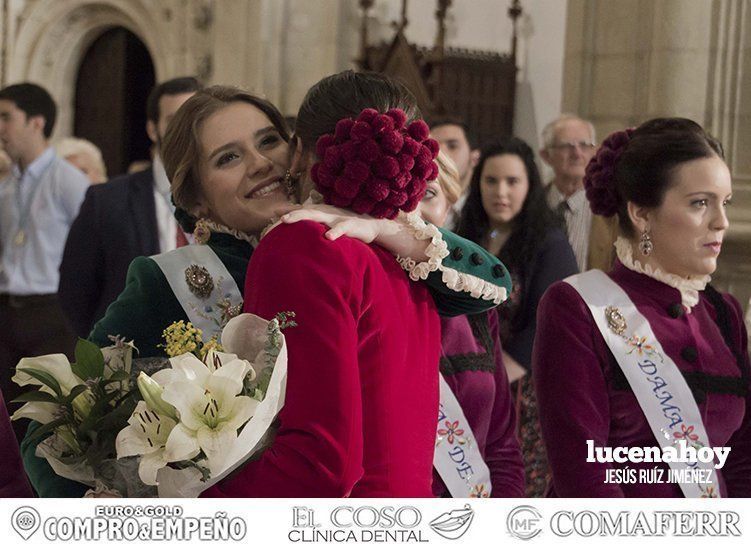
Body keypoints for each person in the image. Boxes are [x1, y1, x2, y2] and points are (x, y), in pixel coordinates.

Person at [22, 84, 509, 497]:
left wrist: (388, 230)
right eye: (228, 157)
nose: (260, 164)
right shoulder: (167, 281)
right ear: (194, 196)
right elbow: (56, 431)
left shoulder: (355, 241)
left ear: (299, 151)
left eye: (269, 141)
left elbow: (486, 284)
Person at [203, 71, 510, 498]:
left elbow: (322, 464)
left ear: (297, 152)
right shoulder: (410, 258)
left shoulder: (303, 245)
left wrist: (189, 505)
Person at [533, 118, 751, 497]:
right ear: (641, 214)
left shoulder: (724, 313)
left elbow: (742, 459)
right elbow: (582, 471)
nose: (722, 222)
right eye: (700, 203)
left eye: (725, 202)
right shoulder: (578, 306)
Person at [456, 137, 578, 496]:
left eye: (513, 181)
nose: (501, 192)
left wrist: (489, 381)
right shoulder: (467, 236)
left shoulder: (550, 242)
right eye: (491, 181)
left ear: (530, 186)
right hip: (466, 382)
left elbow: (546, 323)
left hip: (521, 389)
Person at [58, 77, 201, 338]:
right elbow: (75, 291)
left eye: (194, 118)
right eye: (173, 120)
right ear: (152, 128)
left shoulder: (223, 195)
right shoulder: (106, 201)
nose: (185, 129)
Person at [418, 151, 524, 498]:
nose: (410, 213)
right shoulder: (365, 298)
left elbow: (503, 443)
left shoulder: (476, 302)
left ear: (450, 202)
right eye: (401, 197)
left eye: (428, 194)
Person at [0, 83, 89, 437]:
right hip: (7, 311)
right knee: (8, 422)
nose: (1, 128)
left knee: (51, 422)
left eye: (6, 117)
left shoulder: (68, 181)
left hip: (52, 315)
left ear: (36, 122)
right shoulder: (7, 187)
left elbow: (89, 248)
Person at [540, 114, 617, 272]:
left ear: (595, 152)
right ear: (546, 156)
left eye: (584, 145)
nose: (576, 153)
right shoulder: (533, 203)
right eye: (566, 146)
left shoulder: (611, 210)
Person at [429, 117, 479, 229]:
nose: (440, 153)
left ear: (475, 158)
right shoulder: (413, 206)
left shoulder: (484, 209)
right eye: (433, 146)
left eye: (452, 146)